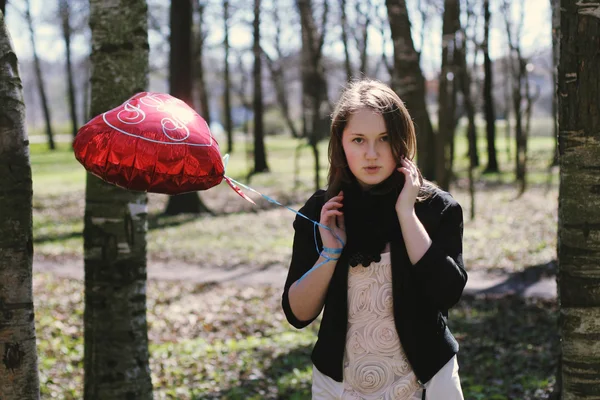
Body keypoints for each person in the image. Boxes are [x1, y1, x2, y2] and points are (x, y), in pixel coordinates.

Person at [281, 79, 467, 400]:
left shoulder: (437, 208)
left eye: (384, 138)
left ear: (402, 141)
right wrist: (330, 253)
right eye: (358, 140)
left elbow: (446, 293)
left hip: (426, 382)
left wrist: (406, 214)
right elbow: (298, 314)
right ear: (341, 144)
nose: (371, 153)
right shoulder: (322, 210)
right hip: (340, 387)